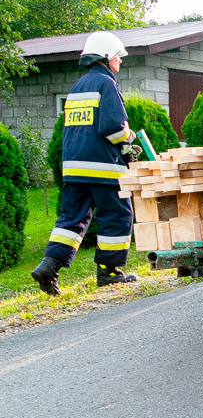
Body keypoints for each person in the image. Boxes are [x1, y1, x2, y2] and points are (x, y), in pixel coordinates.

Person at [31, 31, 140, 295]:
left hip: (74, 169)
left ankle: (49, 266)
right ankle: (109, 272)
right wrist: (130, 137)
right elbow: (113, 127)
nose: (120, 61)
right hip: (103, 168)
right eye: (118, 56)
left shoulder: (78, 86)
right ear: (105, 57)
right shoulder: (106, 84)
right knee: (118, 215)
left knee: (71, 219)